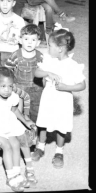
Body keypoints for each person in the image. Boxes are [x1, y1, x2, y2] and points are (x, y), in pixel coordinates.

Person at [31, 29, 85, 168]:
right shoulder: (49, 60)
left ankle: (59, 151)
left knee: (61, 126)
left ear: (60, 49)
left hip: (63, 101)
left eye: (50, 45)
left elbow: (82, 85)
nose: (47, 48)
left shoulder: (73, 66)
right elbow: (37, 73)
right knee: (43, 122)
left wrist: (66, 87)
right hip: (48, 98)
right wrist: (48, 72)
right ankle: (40, 146)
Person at [5, 24, 44, 122]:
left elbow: (45, 73)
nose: (30, 42)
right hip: (20, 90)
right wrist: (10, 86)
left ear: (38, 42)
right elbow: (7, 71)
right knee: (19, 113)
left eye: (33, 40)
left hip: (37, 89)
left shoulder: (41, 57)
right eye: (26, 39)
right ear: (20, 40)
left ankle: (35, 129)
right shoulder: (15, 55)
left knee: (36, 111)